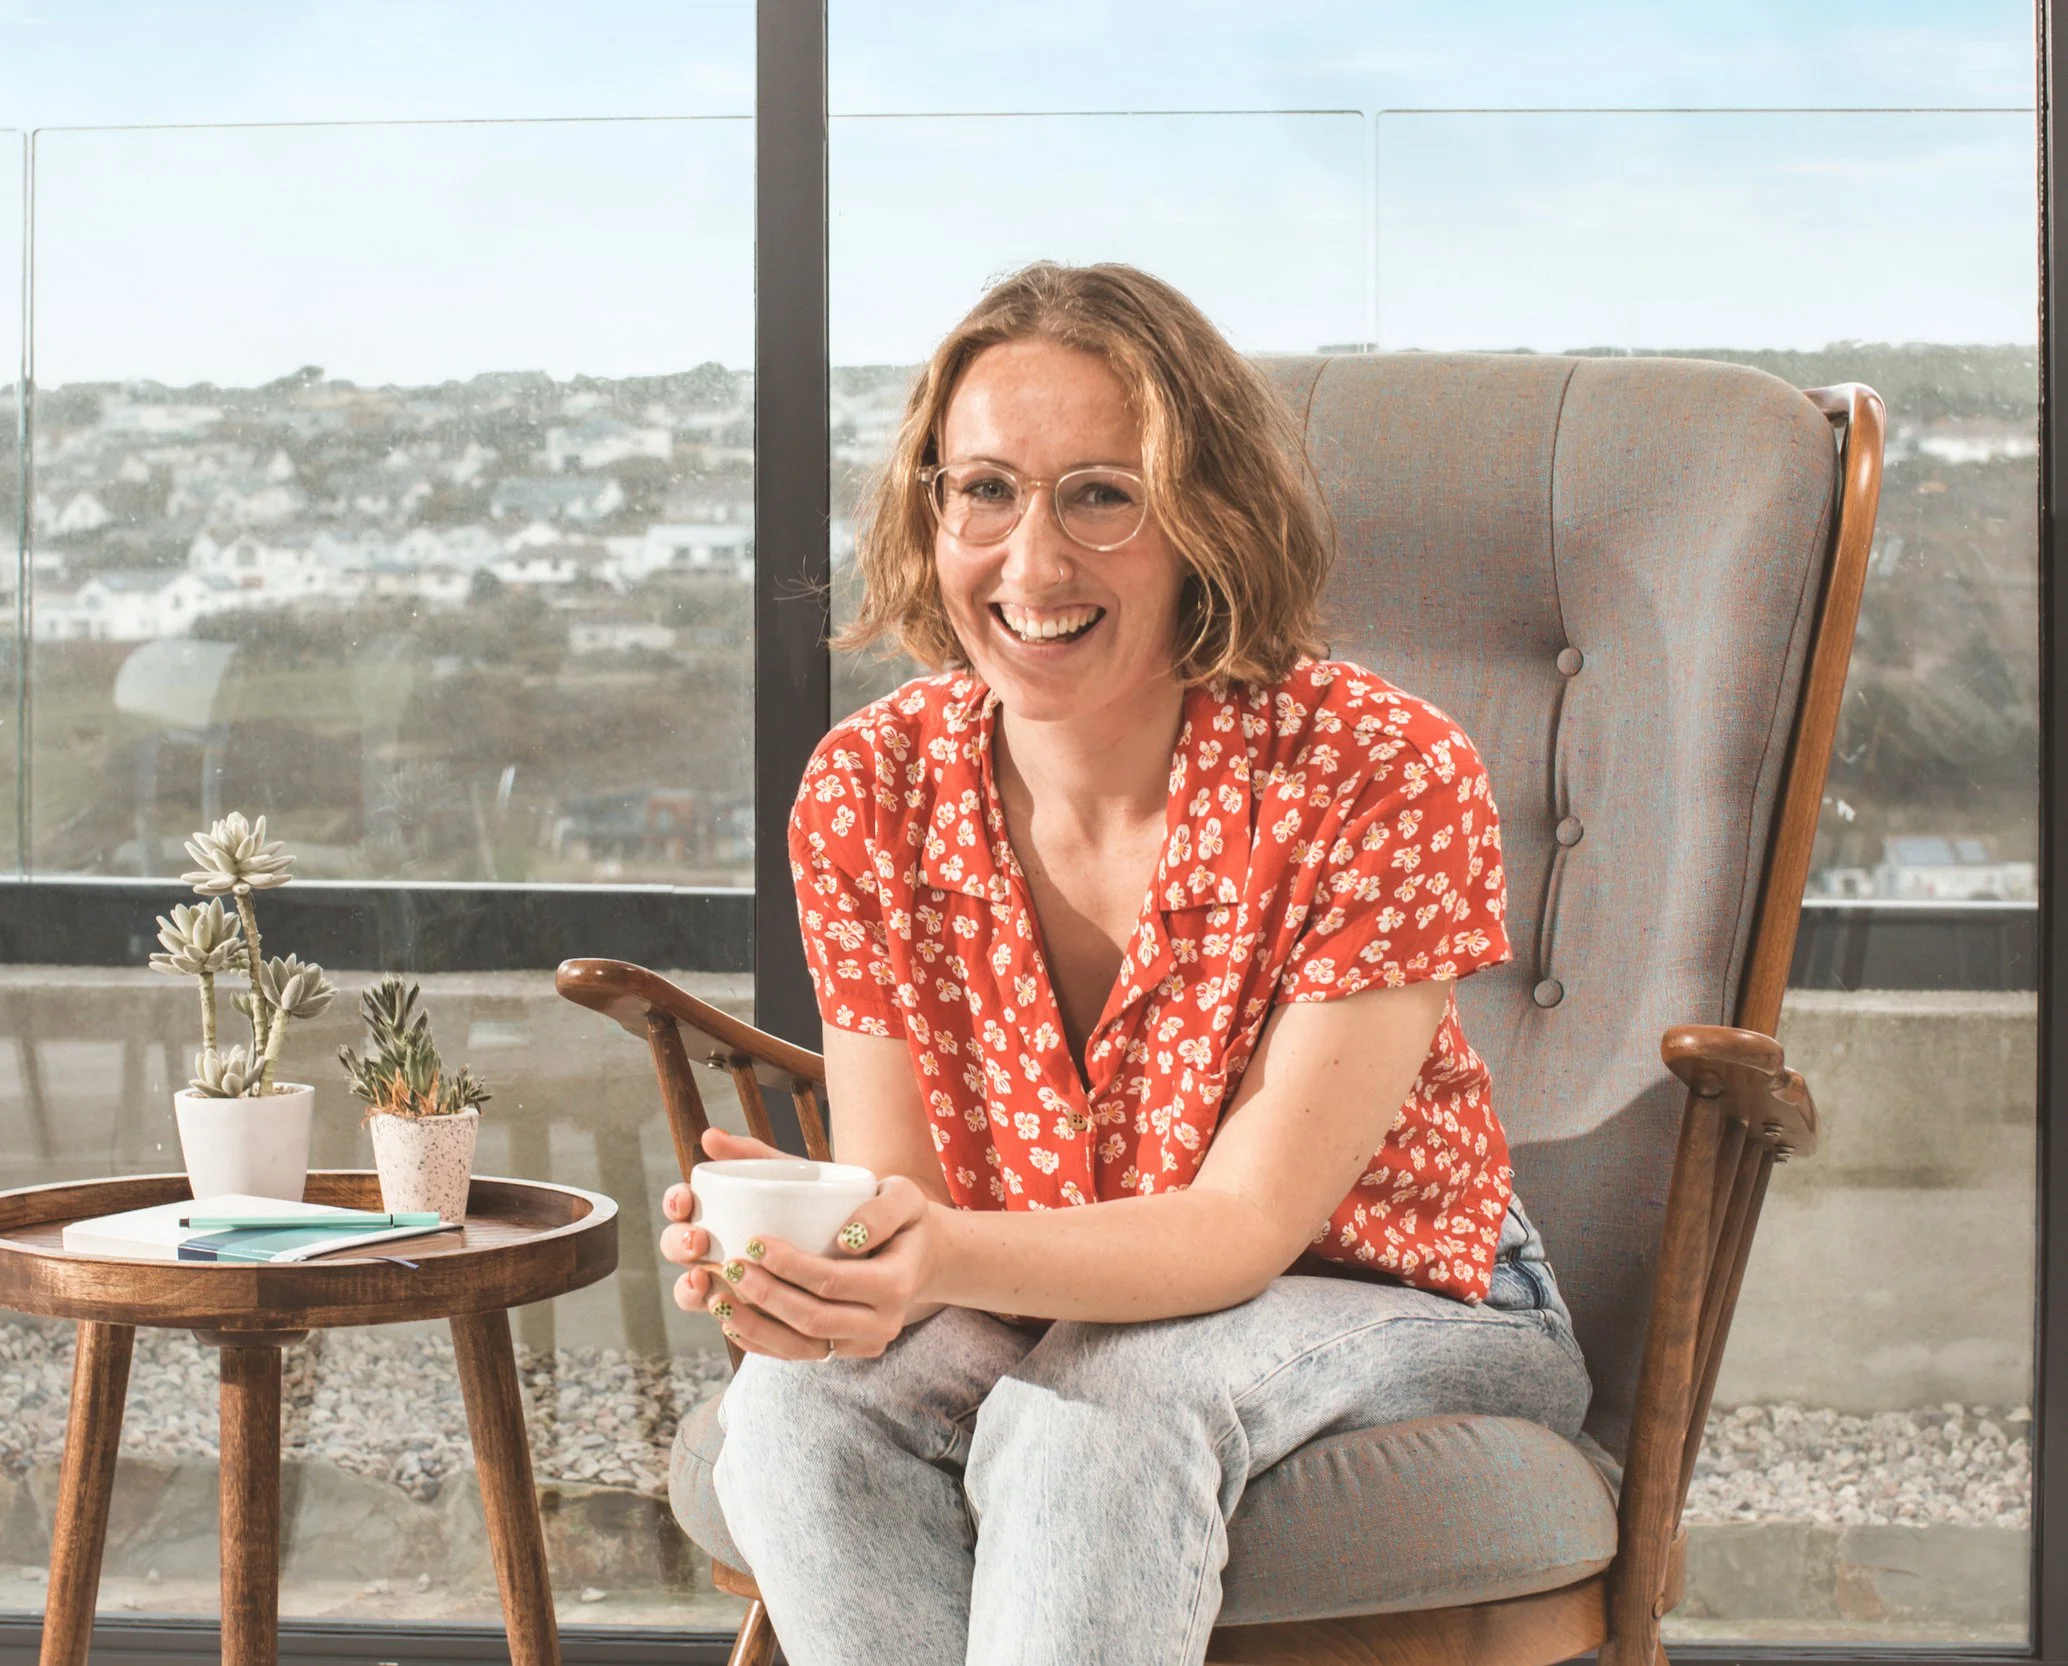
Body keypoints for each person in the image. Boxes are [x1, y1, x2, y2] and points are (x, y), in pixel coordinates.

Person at [655, 262, 1592, 1666]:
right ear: (931, 510)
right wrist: (828, 1277)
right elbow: (908, 1193)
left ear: (1206, 516)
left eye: (1103, 492)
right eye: (985, 490)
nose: (1033, 565)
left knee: (1104, 1409)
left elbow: (1245, 1227)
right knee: (797, 1414)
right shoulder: (868, 788)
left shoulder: (1379, 771)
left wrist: (928, 1256)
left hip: (1408, 1292)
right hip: (1046, 1300)